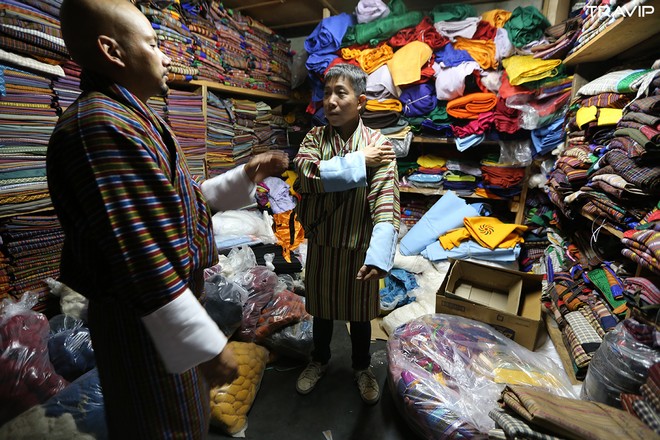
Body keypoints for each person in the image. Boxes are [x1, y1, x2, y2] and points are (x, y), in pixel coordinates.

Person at [46, 0, 288, 438]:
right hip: (143, 318)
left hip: (160, 310)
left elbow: (179, 200)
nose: (167, 55)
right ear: (113, 50)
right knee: (164, 428)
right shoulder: (101, 125)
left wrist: (246, 174)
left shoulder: (131, 116)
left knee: (182, 421)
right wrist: (205, 345)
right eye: (154, 44)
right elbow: (141, 253)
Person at [293, 63, 400, 405]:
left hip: (359, 247)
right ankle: (319, 360)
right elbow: (306, 174)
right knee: (322, 310)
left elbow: (386, 199)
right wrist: (358, 161)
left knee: (360, 314)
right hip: (323, 243)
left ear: (361, 101)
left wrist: (380, 255)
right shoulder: (314, 138)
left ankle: (362, 367)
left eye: (341, 93)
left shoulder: (379, 144)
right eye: (326, 93)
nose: (331, 101)